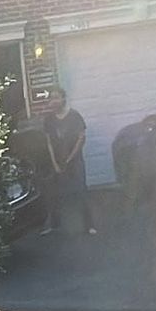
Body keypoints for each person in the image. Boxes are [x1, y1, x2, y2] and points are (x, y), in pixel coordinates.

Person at [39, 87, 97, 236]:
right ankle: (54, 225)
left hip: (75, 161)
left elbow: (81, 137)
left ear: (63, 99)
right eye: (51, 98)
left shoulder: (74, 116)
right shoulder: (49, 120)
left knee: (81, 192)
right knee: (54, 194)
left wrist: (70, 159)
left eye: (56, 98)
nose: (53, 101)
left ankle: (89, 225)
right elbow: (49, 143)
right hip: (57, 162)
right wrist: (55, 163)